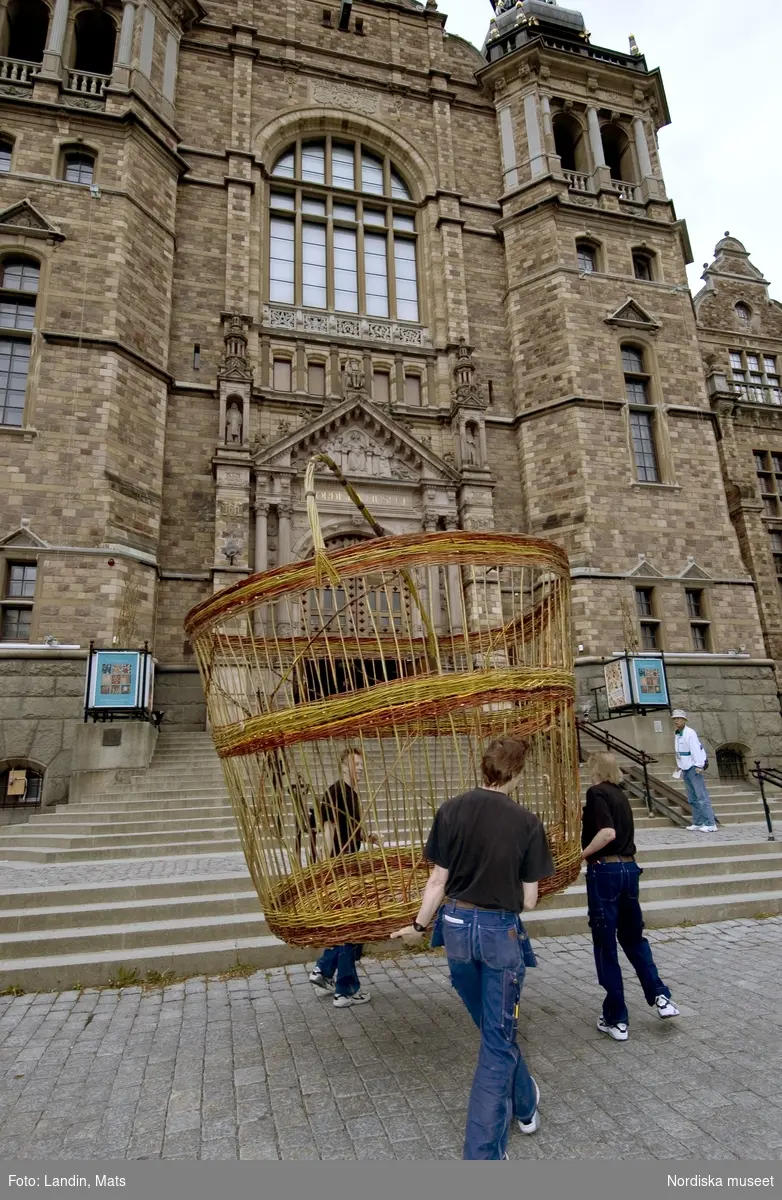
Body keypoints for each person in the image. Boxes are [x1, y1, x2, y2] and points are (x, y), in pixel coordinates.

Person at [391, 735, 554, 1161]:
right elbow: (531, 900)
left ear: (483, 768)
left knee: (491, 1028)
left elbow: (437, 883)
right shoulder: (527, 823)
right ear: (516, 773)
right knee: (498, 1041)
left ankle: (525, 1100)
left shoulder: (450, 810)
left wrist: (417, 925)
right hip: (499, 931)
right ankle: (482, 1156)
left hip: (457, 930)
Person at [581, 751, 680, 1042]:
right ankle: (661, 997)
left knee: (605, 944)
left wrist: (582, 854)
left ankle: (616, 1018)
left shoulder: (597, 791)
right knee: (634, 938)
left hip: (606, 872)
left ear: (596, 770)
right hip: (629, 869)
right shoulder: (621, 795)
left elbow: (607, 832)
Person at [309, 748, 378, 1008]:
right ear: (343, 765)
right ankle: (345, 990)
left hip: (349, 864)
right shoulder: (335, 792)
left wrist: (365, 837)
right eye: (355, 763)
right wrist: (327, 866)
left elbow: (352, 827)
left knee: (349, 925)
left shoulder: (351, 794)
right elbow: (328, 828)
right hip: (340, 868)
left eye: (361, 764)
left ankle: (324, 970)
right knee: (352, 926)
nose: (359, 768)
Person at [671, 709, 718, 832]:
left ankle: (710, 823)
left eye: (678, 718)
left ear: (684, 720)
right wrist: (680, 765)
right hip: (686, 767)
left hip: (693, 767)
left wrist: (699, 765)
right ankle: (698, 821)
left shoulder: (690, 733)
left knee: (701, 796)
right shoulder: (677, 733)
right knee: (692, 798)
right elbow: (680, 751)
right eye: (674, 718)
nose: (676, 720)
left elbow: (696, 749)